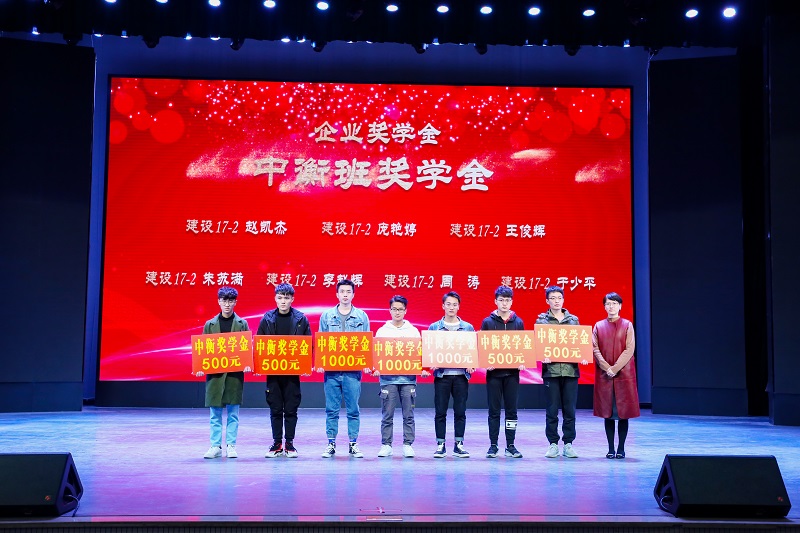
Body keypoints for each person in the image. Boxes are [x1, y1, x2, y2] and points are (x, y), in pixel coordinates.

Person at [256, 283, 312, 458]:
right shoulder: (267, 319)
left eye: (286, 298)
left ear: (292, 299)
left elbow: (308, 345)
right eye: (280, 298)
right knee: (275, 409)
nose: (283, 301)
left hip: (292, 373)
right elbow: (259, 345)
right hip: (273, 373)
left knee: (291, 409)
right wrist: (258, 364)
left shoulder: (301, 319)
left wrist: (305, 364)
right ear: (275, 298)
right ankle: (276, 443)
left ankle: (289, 444)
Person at [317, 279, 371, 458]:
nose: (345, 295)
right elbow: (321, 343)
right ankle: (331, 443)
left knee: (353, 409)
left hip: (352, 372)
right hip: (331, 372)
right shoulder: (326, 316)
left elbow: (366, 343)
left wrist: (367, 363)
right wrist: (320, 363)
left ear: (353, 294)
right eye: (342, 291)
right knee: (331, 409)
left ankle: (353, 443)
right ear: (337, 294)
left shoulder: (362, 316)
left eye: (348, 291)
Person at [373, 295, 430, 458]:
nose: (397, 312)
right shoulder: (382, 331)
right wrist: (376, 368)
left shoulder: (413, 331)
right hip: (388, 379)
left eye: (400, 309)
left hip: (408, 380)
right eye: (394, 309)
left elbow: (419, 354)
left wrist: (422, 369)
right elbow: (377, 354)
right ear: (389, 310)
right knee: (387, 415)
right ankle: (386, 445)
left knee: (408, 415)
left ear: (405, 311)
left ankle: (407, 445)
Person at [535, 285, 586, 459]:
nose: (556, 301)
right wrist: (541, 355)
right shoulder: (542, 321)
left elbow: (580, 343)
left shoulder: (573, 320)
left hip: (571, 371)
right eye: (553, 298)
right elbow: (538, 345)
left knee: (569, 410)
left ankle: (569, 444)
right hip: (551, 371)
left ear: (563, 300)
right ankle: (553, 444)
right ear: (547, 301)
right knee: (551, 410)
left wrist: (582, 355)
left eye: (559, 298)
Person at [199, 286, 250, 459]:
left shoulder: (242, 324)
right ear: (218, 302)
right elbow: (203, 350)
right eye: (224, 300)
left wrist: (247, 364)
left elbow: (246, 348)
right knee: (215, 413)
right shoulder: (210, 325)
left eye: (230, 301)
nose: (227, 304)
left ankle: (231, 445)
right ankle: (215, 446)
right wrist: (200, 366)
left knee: (233, 413)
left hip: (234, 375)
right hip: (215, 376)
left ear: (235, 302)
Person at [592, 292, 639, 459]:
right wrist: (607, 368)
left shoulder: (627, 325)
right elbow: (595, 349)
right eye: (608, 304)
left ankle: (621, 448)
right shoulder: (598, 326)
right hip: (605, 375)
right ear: (604, 307)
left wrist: (615, 368)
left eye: (614, 303)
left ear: (620, 306)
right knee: (608, 413)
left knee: (623, 414)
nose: (611, 306)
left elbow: (629, 349)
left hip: (623, 375)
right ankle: (611, 448)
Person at [428, 291, 475, 458]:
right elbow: (429, 352)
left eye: (455, 304)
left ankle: (459, 444)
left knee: (460, 411)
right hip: (442, 376)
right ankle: (440, 444)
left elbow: (473, 351)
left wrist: (472, 364)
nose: (451, 307)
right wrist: (431, 362)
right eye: (448, 304)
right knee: (440, 411)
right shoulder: (434, 328)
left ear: (459, 307)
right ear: (443, 306)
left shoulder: (468, 328)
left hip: (461, 376)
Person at [480, 286, 525, 459]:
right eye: (501, 300)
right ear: (495, 301)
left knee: (512, 411)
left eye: (507, 300)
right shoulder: (487, 322)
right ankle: (493, 445)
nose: (504, 303)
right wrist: (486, 362)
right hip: (494, 375)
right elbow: (482, 347)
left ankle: (511, 445)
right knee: (494, 411)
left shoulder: (518, 322)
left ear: (511, 302)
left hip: (512, 374)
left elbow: (523, 346)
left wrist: (522, 361)